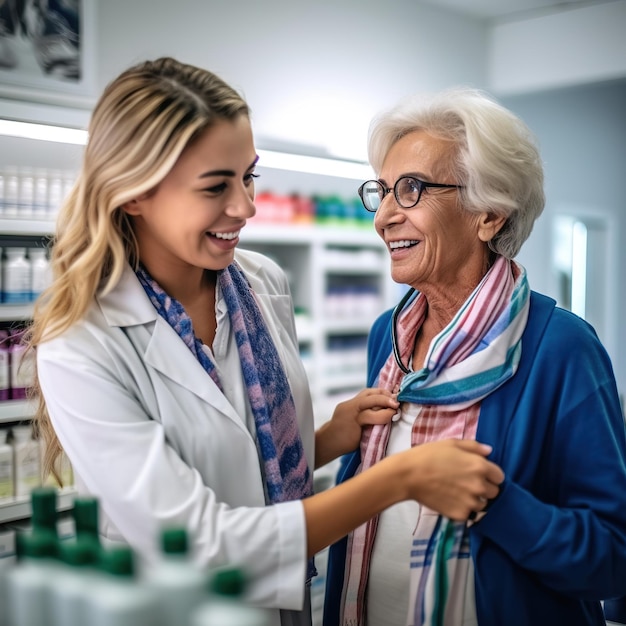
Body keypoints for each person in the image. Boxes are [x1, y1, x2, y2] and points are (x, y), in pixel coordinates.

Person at [26, 58, 504, 626]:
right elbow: (202, 543)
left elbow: (254, 464)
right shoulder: (82, 345)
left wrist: (328, 438)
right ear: (133, 194)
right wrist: (398, 479)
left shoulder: (260, 285)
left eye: (248, 176)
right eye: (215, 187)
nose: (245, 207)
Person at [323, 87, 626, 626]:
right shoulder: (386, 337)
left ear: (487, 215)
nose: (384, 217)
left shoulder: (561, 350)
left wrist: (493, 503)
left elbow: (612, 559)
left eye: (411, 190)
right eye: (383, 191)